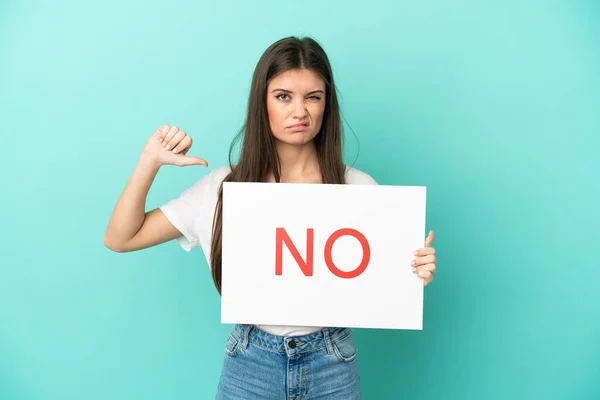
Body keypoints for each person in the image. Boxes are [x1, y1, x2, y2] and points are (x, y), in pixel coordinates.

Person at [103, 36, 437, 399]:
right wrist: (149, 161)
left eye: (313, 96)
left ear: (327, 104)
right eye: (283, 96)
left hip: (332, 363)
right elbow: (121, 238)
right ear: (262, 103)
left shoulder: (358, 188)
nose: (300, 111)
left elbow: (387, 280)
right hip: (250, 365)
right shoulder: (221, 188)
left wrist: (415, 271)